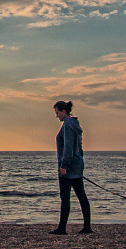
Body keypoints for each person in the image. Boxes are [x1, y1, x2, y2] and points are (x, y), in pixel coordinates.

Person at [51, 100, 92, 234]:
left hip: (68, 167)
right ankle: (87, 226)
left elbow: (68, 147)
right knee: (81, 196)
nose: (57, 116)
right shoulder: (75, 123)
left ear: (63, 111)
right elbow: (79, 147)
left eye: (57, 113)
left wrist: (64, 165)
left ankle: (62, 228)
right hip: (77, 165)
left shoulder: (68, 125)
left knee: (65, 198)